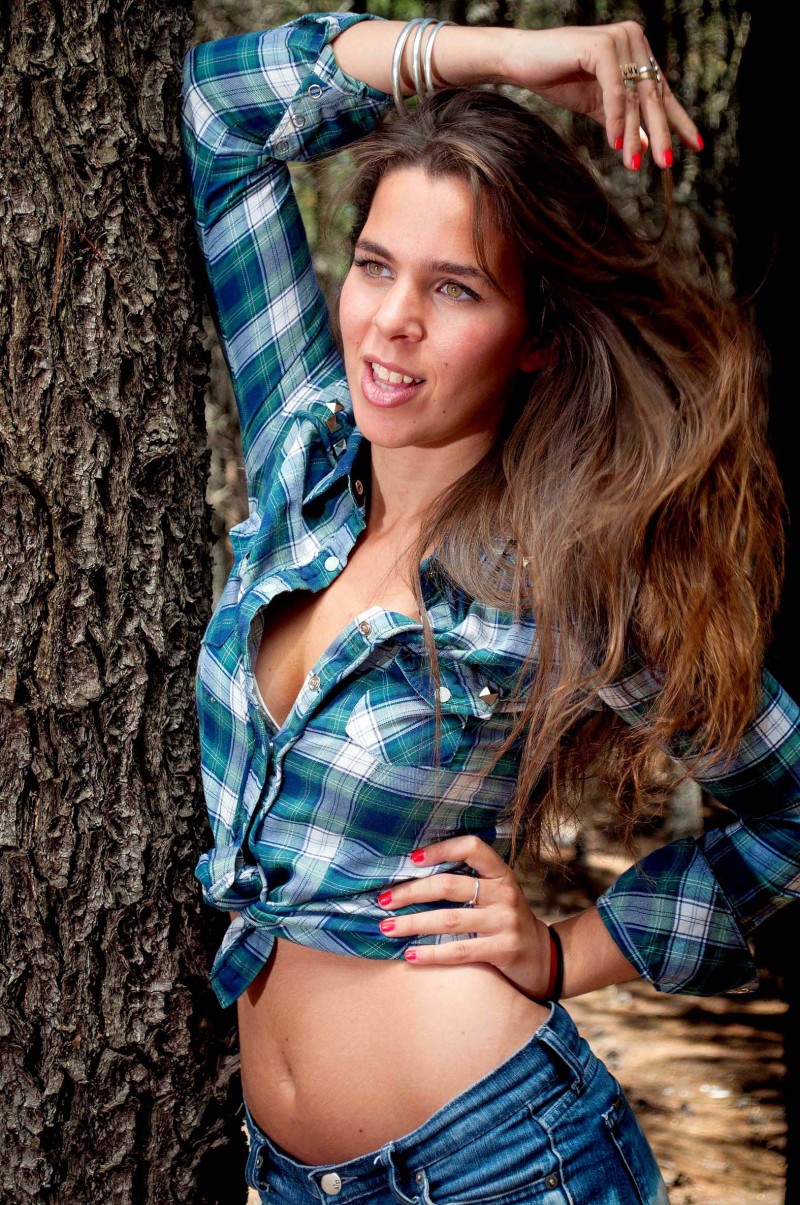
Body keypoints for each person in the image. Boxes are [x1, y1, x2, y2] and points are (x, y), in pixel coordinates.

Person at [180, 11, 799, 1203]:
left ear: (533, 337)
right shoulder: (303, 443)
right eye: (373, 265)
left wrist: (566, 952)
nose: (390, 321)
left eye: (453, 287)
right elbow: (223, 110)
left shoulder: (571, 577)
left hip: (505, 1163)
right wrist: (504, 60)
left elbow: (784, 805)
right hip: (292, 1176)